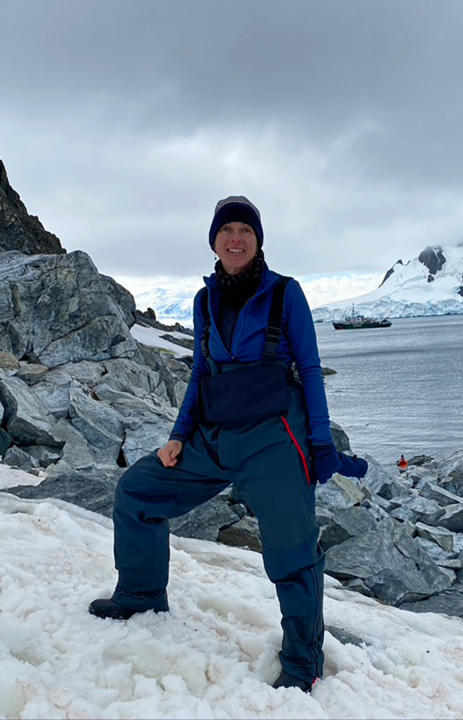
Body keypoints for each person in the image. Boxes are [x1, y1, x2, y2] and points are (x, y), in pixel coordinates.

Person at [89, 196, 367, 693]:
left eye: (245, 230)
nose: (235, 238)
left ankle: (303, 661)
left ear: (258, 240)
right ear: (214, 240)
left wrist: (320, 444)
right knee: (138, 491)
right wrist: (178, 437)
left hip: (276, 439)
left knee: (292, 551)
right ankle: (140, 593)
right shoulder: (204, 300)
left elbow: (309, 369)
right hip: (214, 436)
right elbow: (200, 372)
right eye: (226, 230)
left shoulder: (285, 293)